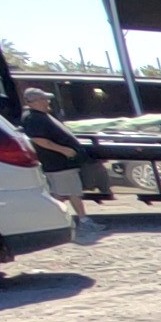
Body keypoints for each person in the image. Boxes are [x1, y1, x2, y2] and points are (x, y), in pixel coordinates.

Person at [19, 88, 103, 239]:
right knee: (72, 192)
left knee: (60, 193)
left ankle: (60, 223)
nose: (47, 102)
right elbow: (39, 140)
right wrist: (64, 150)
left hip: (59, 163)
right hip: (58, 164)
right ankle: (82, 222)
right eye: (44, 99)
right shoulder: (34, 118)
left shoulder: (38, 116)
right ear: (34, 102)